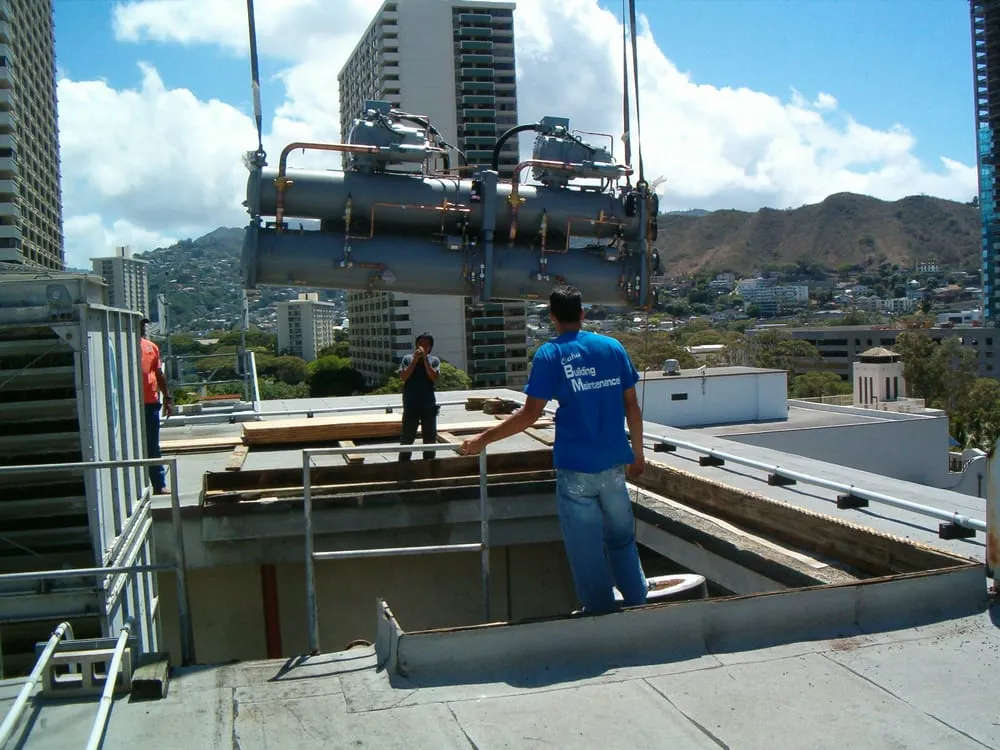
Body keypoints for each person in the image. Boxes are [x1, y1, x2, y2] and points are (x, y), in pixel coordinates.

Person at [461, 285, 648, 614]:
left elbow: (530, 414)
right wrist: (639, 453)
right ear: (582, 314)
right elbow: (631, 405)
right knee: (621, 538)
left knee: (585, 548)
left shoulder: (550, 354)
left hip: (576, 467)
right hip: (614, 465)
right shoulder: (612, 347)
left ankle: (600, 613)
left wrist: (481, 440)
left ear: (552, 318)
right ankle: (638, 603)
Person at [140, 318, 172, 494]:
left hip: (150, 403)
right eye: (141, 325)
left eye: (143, 325)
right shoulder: (123, 346)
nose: (143, 328)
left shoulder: (151, 347)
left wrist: (167, 398)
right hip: (129, 406)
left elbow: (159, 374)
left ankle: (159, 484)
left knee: (152, 445)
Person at [398, 332, 440, 461]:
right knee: (407, 438)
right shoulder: (407, 359)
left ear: (430, 347)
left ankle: (429, 466)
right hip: (411, 405)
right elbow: (404, 377)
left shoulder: (434, 360)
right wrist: (415, 360)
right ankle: (404, 466)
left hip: (428, 405)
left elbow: (434, 377)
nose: (423, 347)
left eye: (426, 345)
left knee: (429, 439)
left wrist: (425, 360)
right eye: (420, 344)